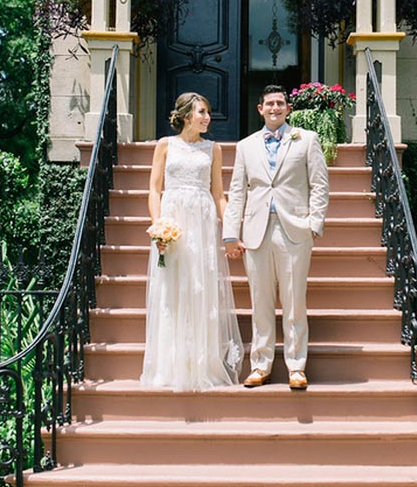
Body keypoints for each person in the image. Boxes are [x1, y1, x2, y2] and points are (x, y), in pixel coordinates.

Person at [224, 84, 329, 390]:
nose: (275, 108)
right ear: (260, 109)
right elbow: (236, 191)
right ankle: (260, 365)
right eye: (269, 103)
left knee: (295, 300)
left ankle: (296, 366)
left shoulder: (307, 140)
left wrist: (314, 223)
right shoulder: (245, 146)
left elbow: (319, 184)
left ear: (288, 108)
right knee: (261, 302)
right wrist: (231, 233)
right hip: (256, 231)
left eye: (280, 103)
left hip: (295, 229)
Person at [140, 92, 243, 390]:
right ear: (186, 116)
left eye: (208, 112)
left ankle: (201, 363)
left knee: (200, 287)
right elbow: (153, 189)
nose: (207, 117)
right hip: (172, 219)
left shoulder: (214, 149)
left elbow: (218, 194)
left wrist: (230, 231)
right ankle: (170, 365)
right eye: (202, 112)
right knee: (173, 288)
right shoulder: (164, 145)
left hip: (201, 220)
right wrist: (158, 226)